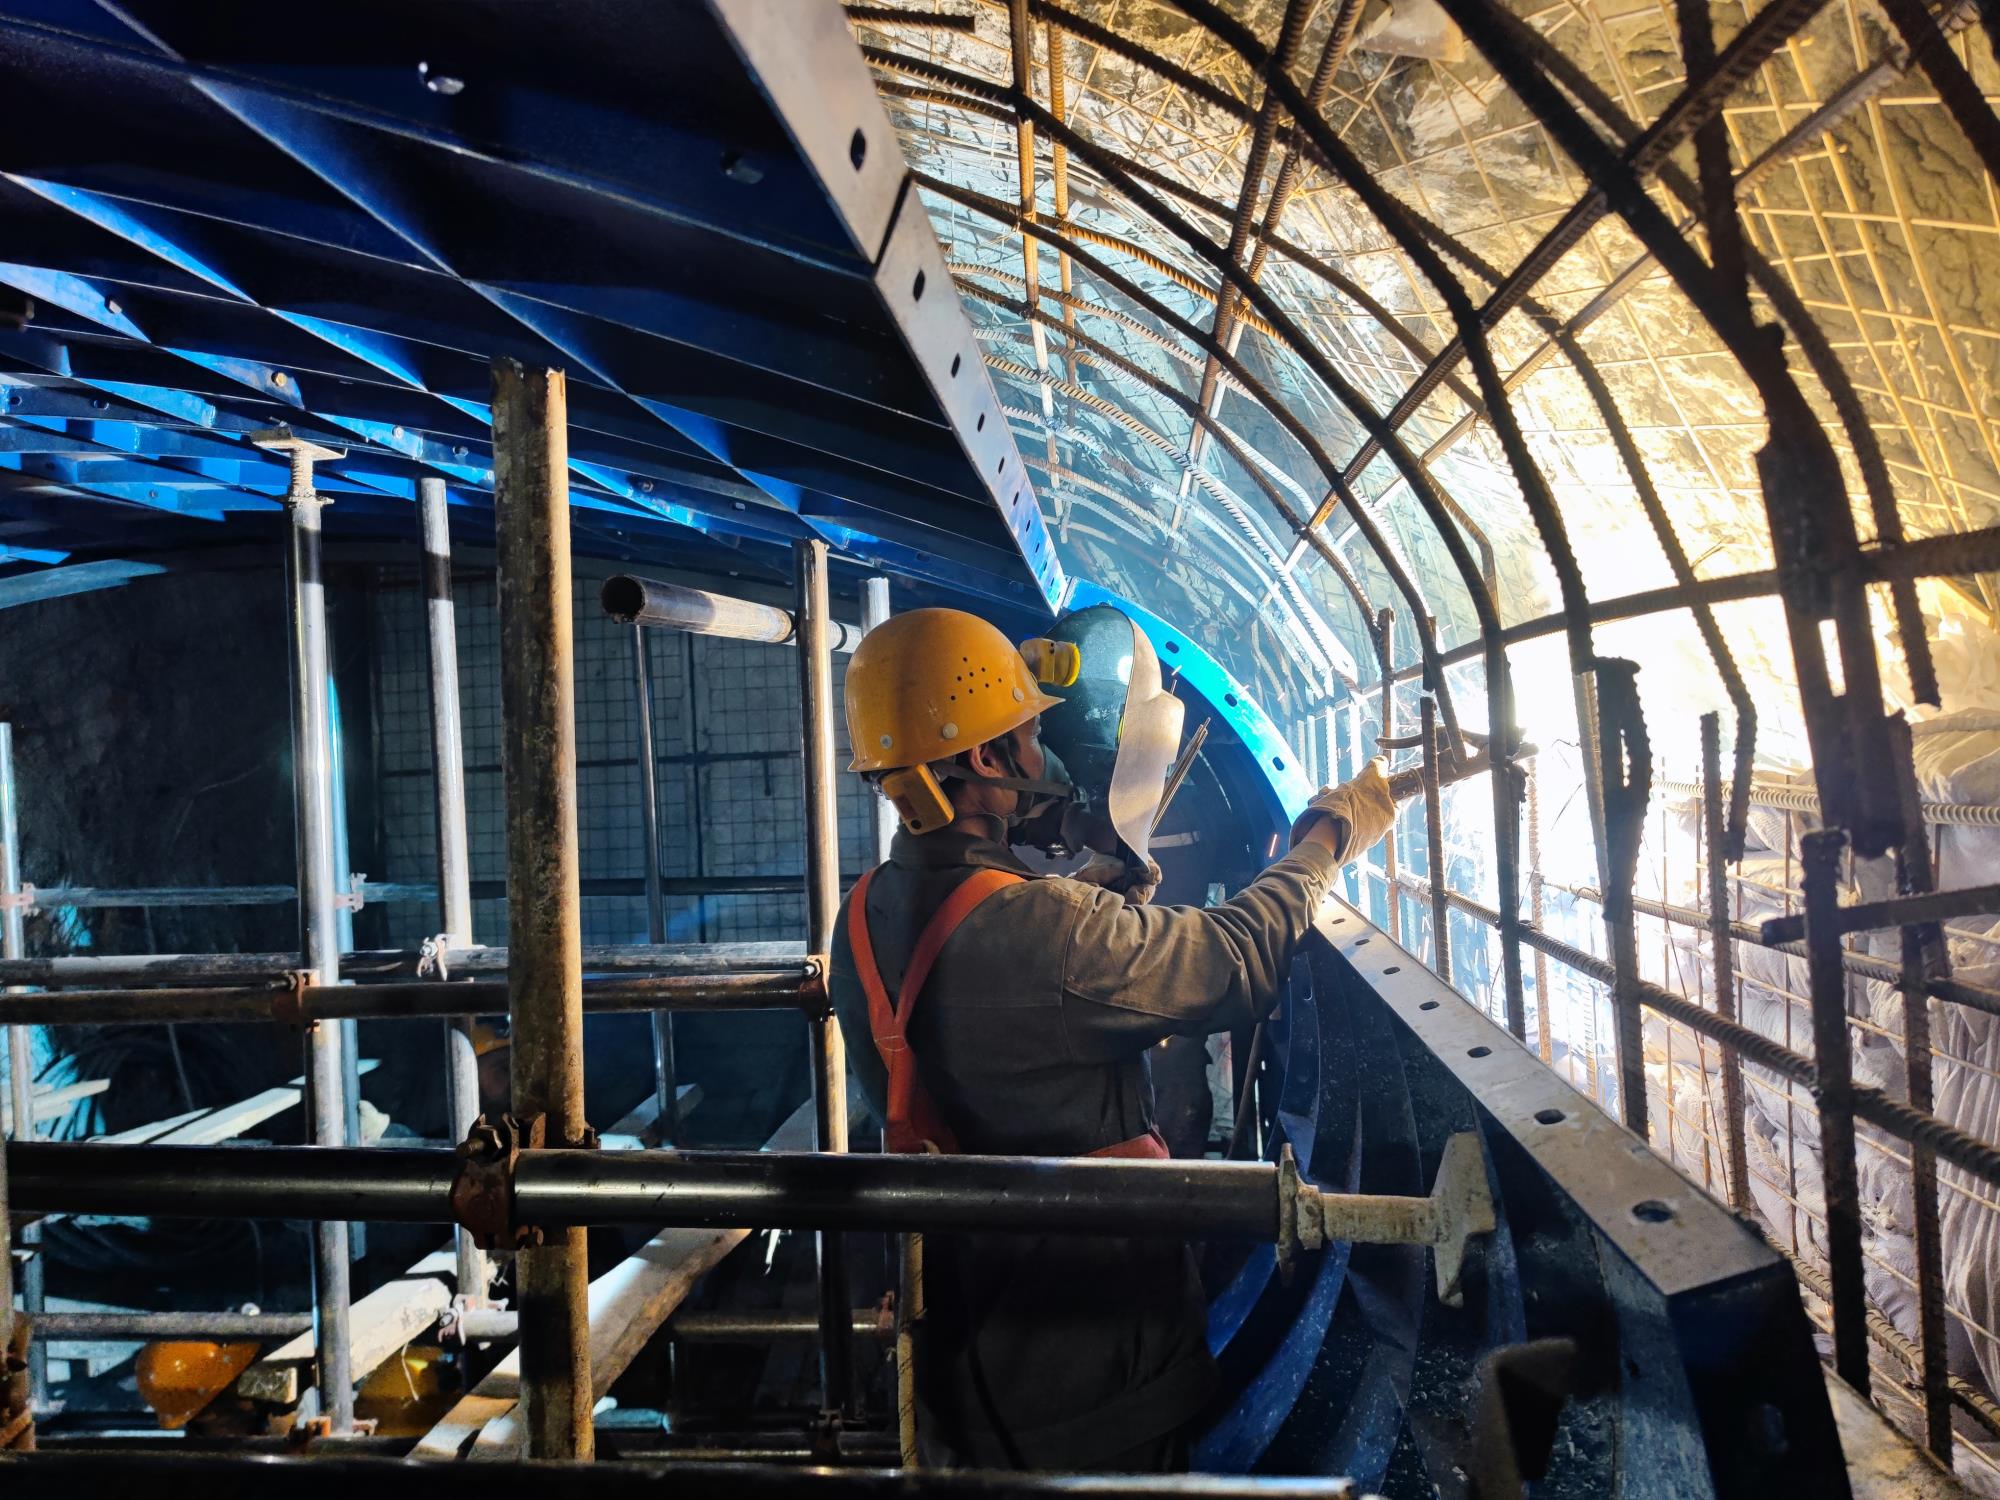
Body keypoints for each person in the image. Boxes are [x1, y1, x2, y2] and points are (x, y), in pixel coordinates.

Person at [828, 606, 1396, 1473]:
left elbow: (994, 998)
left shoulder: (860, 915)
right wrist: (1328, 837)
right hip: (1096, 1379)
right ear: (986, 761)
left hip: (957, 1358)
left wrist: (1091, 901)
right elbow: (1236, 958)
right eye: (1029, 737)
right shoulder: (1049, 931)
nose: (1046, 758)